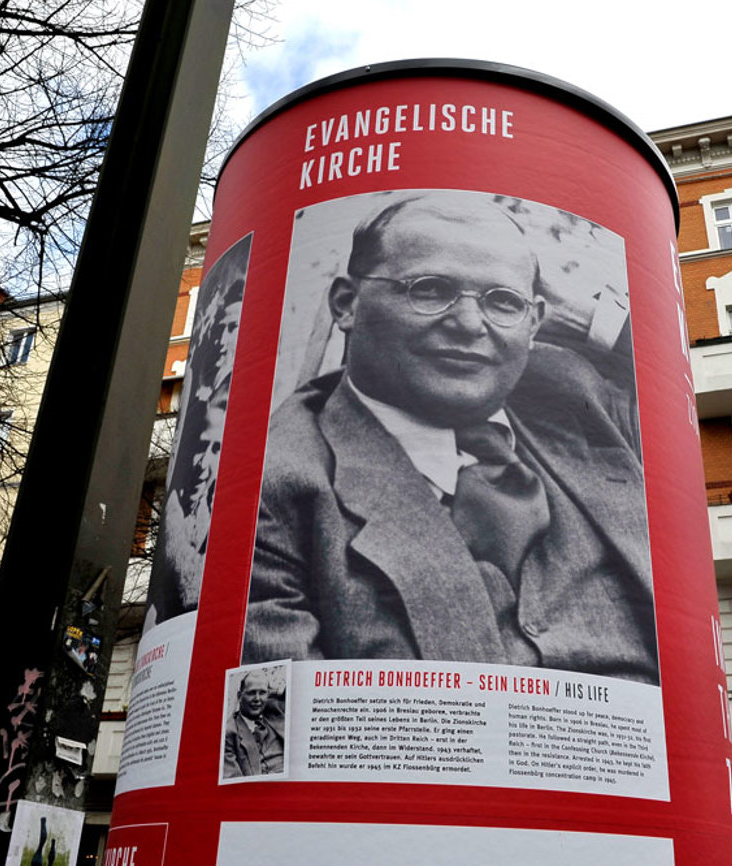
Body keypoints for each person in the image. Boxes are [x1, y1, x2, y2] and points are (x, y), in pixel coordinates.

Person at [242, 192, 659, 684]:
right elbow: (267, 731)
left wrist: (599, 321)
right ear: (347, 304)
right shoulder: (273, 487)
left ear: (535, 323)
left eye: (503, 302)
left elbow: (676, 386)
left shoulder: (577, 396)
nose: (468, 325)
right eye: (430, 290)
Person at [223, 670, 285, 778]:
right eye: (251, 693)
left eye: (262, 693)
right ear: (239, 696)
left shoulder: (275, 711)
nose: (257, 699)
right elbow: (233, 778)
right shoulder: (229, 732)